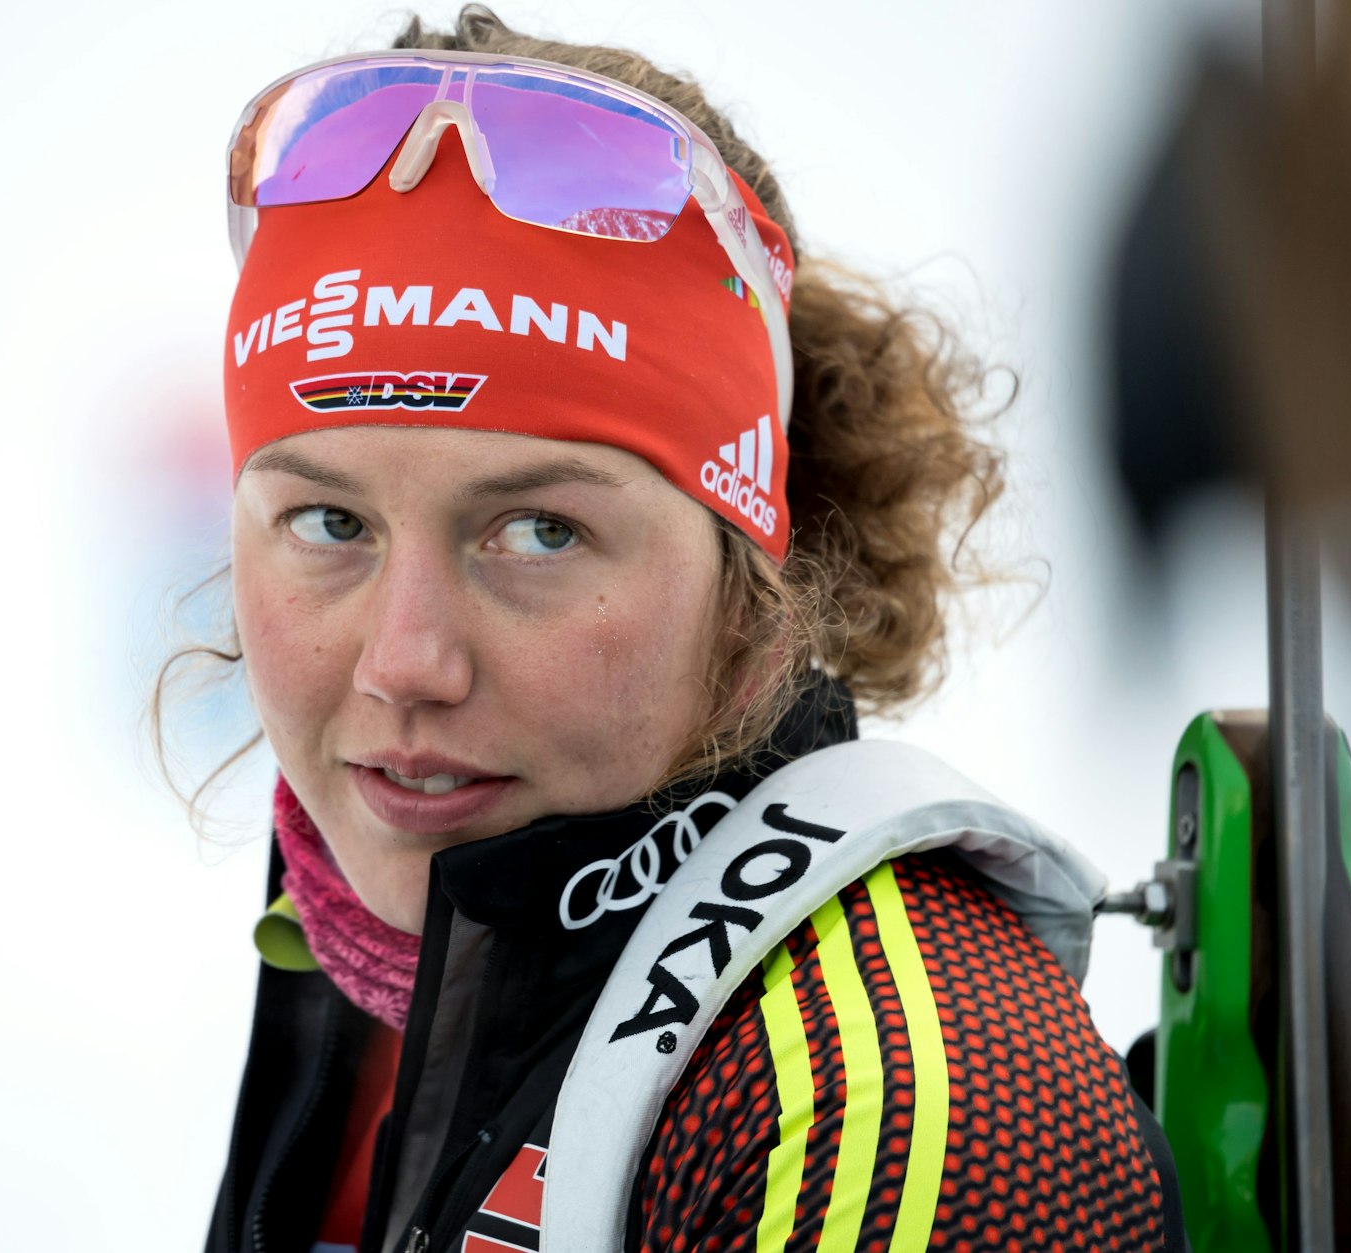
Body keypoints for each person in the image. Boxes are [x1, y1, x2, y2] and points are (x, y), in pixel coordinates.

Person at [159, 7, 1187, 1251]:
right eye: (329, 522)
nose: (404, 664)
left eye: (537, 533)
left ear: (756, 578)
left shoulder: (882, 1103)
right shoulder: (400, 926)